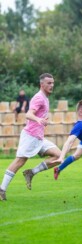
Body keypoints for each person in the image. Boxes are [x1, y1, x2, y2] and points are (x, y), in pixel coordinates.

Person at [0, 73, 61, 201]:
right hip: (30, 136)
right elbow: (28, 114)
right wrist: (38, 120)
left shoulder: (45, 98)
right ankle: (2, 189)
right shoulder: (39, 98)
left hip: (39, 137)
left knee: (58, 156)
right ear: (41, 84)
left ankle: (31, 172)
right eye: (49, 83)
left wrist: (41, 121)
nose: (52, 85)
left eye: (52, 83)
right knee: (19, 162)